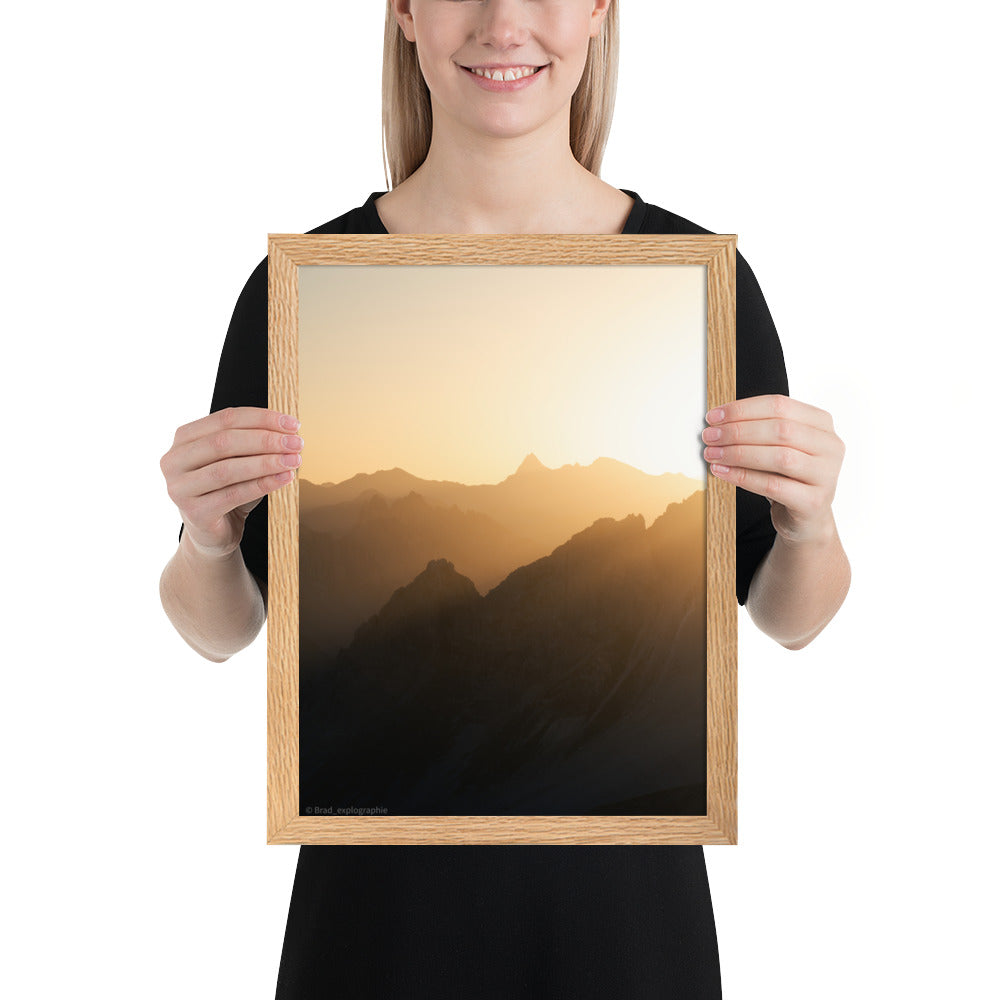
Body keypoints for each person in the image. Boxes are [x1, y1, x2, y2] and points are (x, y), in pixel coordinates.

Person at [160, 1, 851, 996]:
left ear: (601, 11)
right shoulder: (297, 288)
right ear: (403, 12)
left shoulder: (699, 283)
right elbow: (218, 630)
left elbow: (791, 615)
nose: (503, 20)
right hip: (374, 927)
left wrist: (809, 521)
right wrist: (207, 539)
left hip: (623, 923)